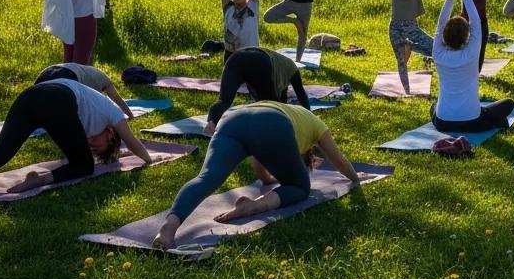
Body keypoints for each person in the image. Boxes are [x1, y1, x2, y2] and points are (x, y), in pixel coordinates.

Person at [152, 101, 360, 250]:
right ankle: (253, 206)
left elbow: (258, 160)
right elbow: (338, 160)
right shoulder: (316, 126)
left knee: (206, 179)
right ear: (307, 154)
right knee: (300, 187)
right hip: (273, 123)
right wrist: (356, 179)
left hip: (232, 118)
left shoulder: (294, 115)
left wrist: (268, 180)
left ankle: (167, 230)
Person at [0, 80, 153, 201]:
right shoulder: (114, 114)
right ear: (111, 136)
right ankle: (40, 180)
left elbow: (67, 137)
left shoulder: (91, 119)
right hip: (56, 97)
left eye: (95, 150)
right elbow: (132, 142)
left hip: (30, 96)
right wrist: (149, 160)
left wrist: (116, 156)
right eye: (99, 147)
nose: (92, 146)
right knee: (85, 165)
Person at [431, 0, 514, 133]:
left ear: (444, 36)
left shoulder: (438, 54)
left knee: (434, 106)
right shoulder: (471, 53)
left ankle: (492, 120)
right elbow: (476, 21)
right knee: (508, 104)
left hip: (442, 122)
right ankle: (495, 121)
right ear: (467, 37)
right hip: (472, 122)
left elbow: (440, 24)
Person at [203, 47, 311, 135]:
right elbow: (300, 94)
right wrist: (309, 117)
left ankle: (211, 125)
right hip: (259, 60)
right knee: (271, 107)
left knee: (224, 100)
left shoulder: (281, 71)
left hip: (235, 58)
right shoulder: (293, 70)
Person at [35, 62, 134, 118]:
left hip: (46, 73)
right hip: (65, 74)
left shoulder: (93, 75)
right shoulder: (105, 81)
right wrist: (130, 114)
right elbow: (116, 98)